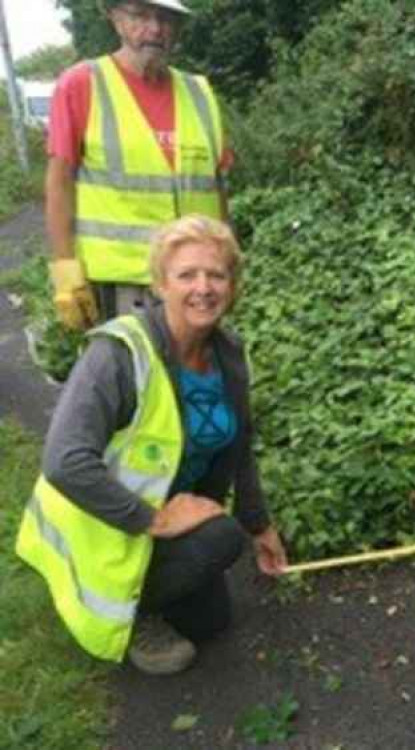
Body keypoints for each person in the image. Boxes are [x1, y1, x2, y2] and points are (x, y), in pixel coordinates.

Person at [17, 215, 286, 675]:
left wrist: (260, 525)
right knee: (220, 537)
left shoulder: (228, 351)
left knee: (213, 622)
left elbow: (239, 444)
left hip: (160, 517)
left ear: (232, 285)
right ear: (160, 284)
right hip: (103, 531)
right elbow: (64, 461)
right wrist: (155, 520)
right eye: (187, 275)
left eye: (216, 274)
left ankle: (156, 587)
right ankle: (131, 611)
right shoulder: (120, 354)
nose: (203, 287)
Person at [46, 0, 230, 331]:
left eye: (165, 19)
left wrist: (228, 264)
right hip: (122, 284)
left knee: (195, 378)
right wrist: (65, 271)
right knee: (133, 377)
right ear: (115, 19)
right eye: (140, 15)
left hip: (197, 281)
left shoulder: (199, 92)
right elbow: (59, 183)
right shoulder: (83, 84)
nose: (155, 29)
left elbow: (217, 188)